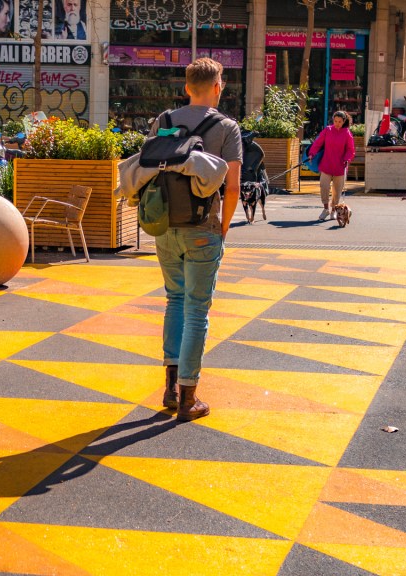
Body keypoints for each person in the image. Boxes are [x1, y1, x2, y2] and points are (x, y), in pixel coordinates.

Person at [149, 58, 242, 422]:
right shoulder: (226, 127)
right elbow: (232, 186)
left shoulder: (164, 121)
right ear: (218, 87)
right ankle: (189, 398)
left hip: (164, 225)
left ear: (187, 87)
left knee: (174, 300)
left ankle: (170, 389)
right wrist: (225, 225)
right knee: (195, 311)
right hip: (203, 227)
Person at [307, 110, 355, 221]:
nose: (337, 123)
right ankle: (325, 209)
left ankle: (334, 210)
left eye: (339, 121)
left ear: (344, 121)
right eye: (335, 121)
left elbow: (350, 149)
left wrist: (347, 159)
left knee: (337, 191)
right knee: (324, 187)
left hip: (340, 166)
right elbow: (318, 143)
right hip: (326, 164)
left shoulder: (347, 133)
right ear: (333, 120)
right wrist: (312, 154)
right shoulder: (327, 130)